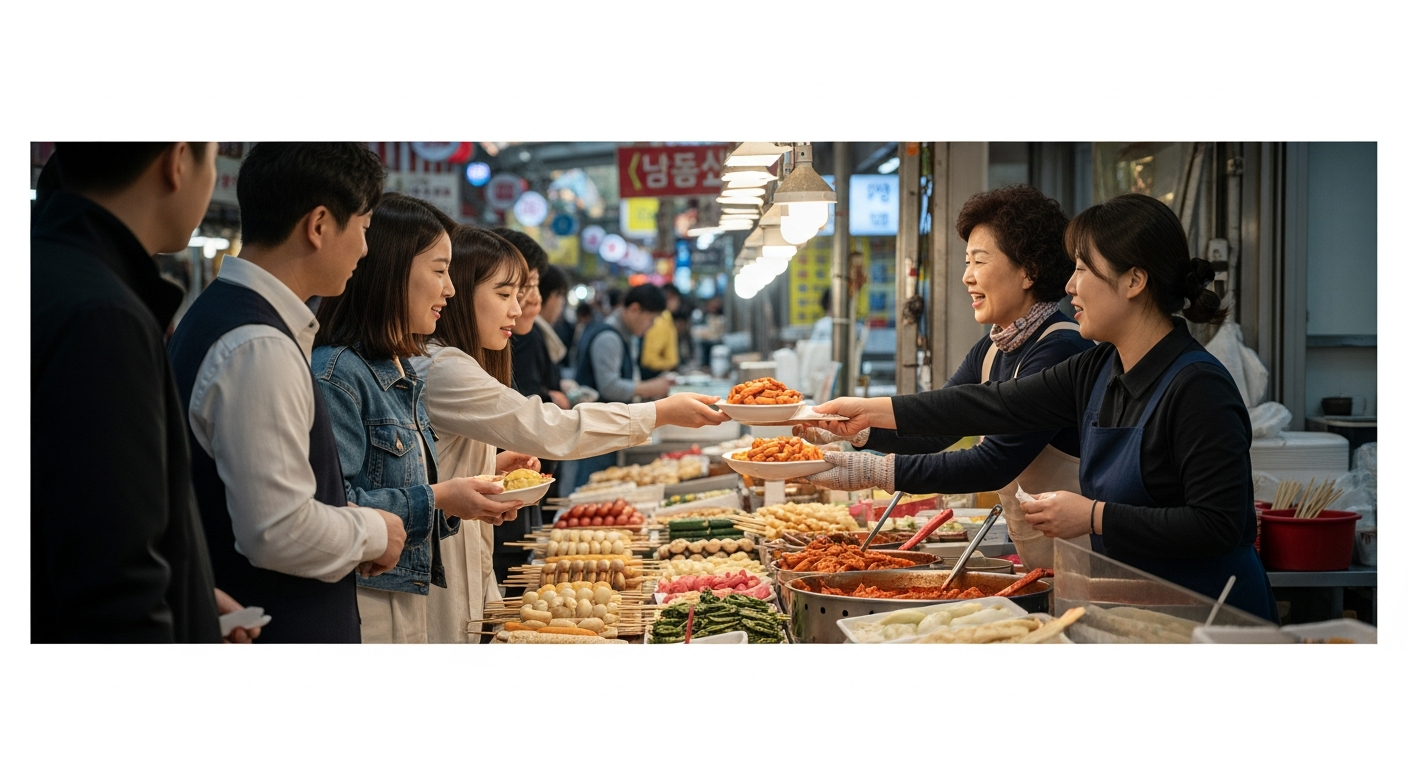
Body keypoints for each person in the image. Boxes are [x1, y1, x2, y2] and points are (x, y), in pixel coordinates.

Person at [809, 193, 1278, 622]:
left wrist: (1093, 516)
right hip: (1133, 612)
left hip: (1212, 622)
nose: (1070, 286)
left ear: (1134, 280)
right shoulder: (1098, 367)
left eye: (1083, 270)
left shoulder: (1199, 387)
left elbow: (1218, 525)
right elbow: (989, 404)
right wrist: (869, 415)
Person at [416, 229, 730, 640]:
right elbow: (551, 427)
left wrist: (490, 466)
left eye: (524, 291)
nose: (521, 306)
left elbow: (437, 465)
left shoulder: (456, 363)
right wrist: (660, 412)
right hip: (441, 571)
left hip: (466, 562)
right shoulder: (444, 367)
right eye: (505, 293)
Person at [168, 142, 407, 643]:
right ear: (319, 225)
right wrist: (373, 532)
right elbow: (278, 531)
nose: (366, 250)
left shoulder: (224, 316)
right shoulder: (258, 346)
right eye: (364, 228)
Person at [800, 185, 1094, 569]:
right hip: (1041, 557)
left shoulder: (1060, 349)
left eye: (979, 261)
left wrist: (875, 470)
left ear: (1029, 271)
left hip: (1086, 558)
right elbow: (938, 428)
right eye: (966, 262)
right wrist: (853, 430)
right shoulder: (992, 348)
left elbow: (992, 462)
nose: (967, 277)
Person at [32, 142, 226, 642]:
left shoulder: (49, 271)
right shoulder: (104, 319)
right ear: (177, 160)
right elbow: (115, 584)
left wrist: (190, 598)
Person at [312, 194, 521, 643]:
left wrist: (472, 485)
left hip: (403, 599)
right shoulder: (339, 373)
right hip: (366, 605)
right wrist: (441, 496)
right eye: (440, 271)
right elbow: (333, 509)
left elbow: (396, 480)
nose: (450, 290)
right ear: (392, 269)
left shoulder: (397, 367)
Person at [569, 284, 674, 491]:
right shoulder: (608, 337)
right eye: (650, 319)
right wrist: (651, 388)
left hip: (607, 428)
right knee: (591, 489)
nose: (650, 326)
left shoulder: (624, 335)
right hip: (597, 430)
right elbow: (609, 386)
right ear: (634, 309)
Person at [639, 283, 681, 379]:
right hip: (655, 375)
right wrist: (670, 364)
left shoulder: (666, 318)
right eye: (677, 299)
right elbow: (649, 359)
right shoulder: (660, 320)